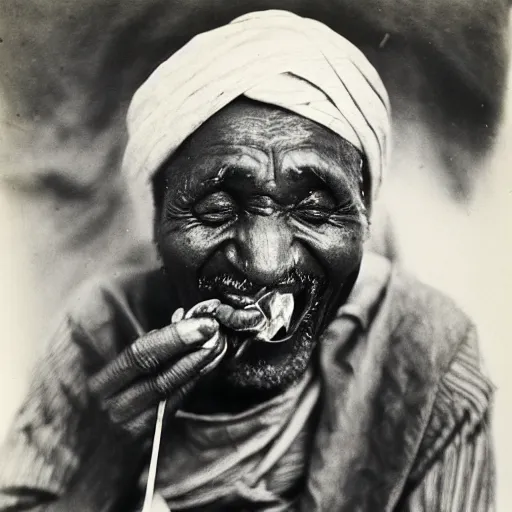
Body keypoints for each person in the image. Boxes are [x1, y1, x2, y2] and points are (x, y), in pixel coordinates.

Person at [0, 10, 495, 512]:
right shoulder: (99, 329)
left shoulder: (432, 360)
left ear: (365, 218)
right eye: (216, 209)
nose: (264, 263)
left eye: (317, 209)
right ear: (157, 220)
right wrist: (104, 464)